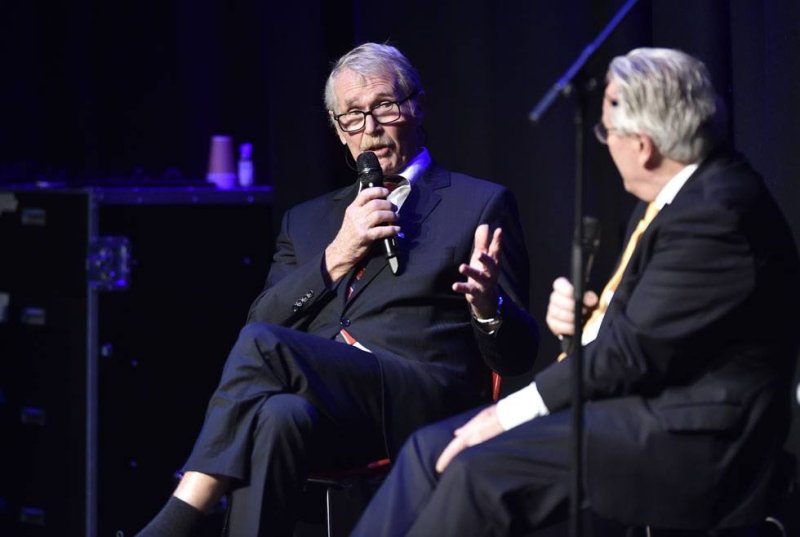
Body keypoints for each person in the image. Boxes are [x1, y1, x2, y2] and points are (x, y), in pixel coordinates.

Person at [349, 47, 800, 537]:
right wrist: (593, 322)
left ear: (643, 144)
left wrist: (505, 414)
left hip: (695, 437)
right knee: (427, 449)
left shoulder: (715, 213)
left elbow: (630, 355)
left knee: (477, 471)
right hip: (643, 406)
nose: (605, 143)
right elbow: (662, 330)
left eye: (608, 131)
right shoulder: (680, 195)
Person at [134, 42, 539, 537]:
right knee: (281, 415)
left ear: (417, 106)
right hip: (332, 405)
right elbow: (264, 319)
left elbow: (519, 356)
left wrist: (487, 306)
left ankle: (177, 520)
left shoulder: (479, 203)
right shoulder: (307, 222)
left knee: (265, 349)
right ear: (337, 130)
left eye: (385, 106)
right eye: (352, 116)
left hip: (421, 400)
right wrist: (336, 256)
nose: (369, 128)